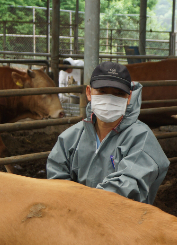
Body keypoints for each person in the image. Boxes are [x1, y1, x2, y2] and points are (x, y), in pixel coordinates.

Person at [47, 61, 170, 205]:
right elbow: (57, 182)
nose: (110, 99)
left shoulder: (141, 139)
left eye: (118, 94)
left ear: (129, 97)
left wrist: (79, 204)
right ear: (89, 92)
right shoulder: (70, 138)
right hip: (75, 220)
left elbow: (127, 187)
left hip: (121, 222)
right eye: (103, 92)